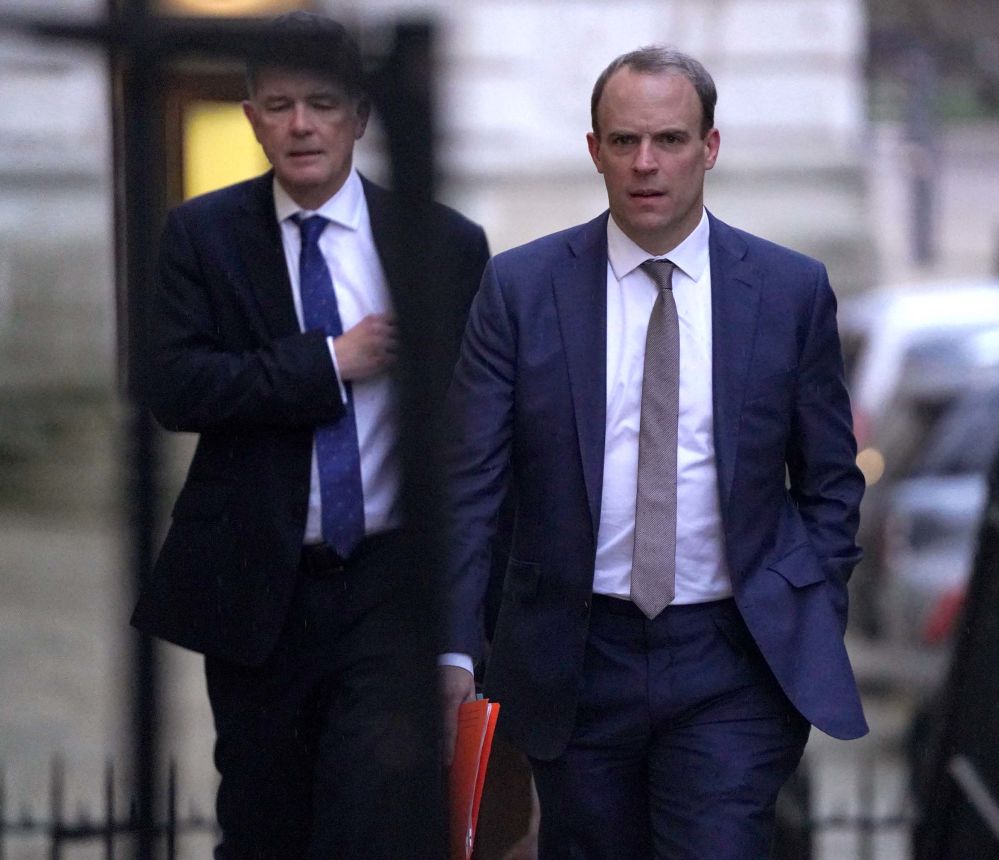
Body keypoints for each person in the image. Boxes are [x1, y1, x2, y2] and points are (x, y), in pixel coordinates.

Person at [440, 45, 868, 857]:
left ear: (708, 147)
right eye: (625, 141)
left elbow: (830, 481)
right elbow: (470, 488)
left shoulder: (788, 291)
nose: (646, 164)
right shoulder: (522, 290)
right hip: (574, 656)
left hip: (731, 659)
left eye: (669, 140)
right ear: (594, 150)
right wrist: (454, 645)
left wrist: (805, 600)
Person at [130, 11, 490, 857]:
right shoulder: (201, 236)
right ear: (249, 116)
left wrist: (465, 631)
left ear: (361, 116)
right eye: (279, 104)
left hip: (388, 585)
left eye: (322, 104)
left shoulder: (440, 245)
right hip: (263, 581)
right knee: (264, 824)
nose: (300, 126)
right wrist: (328, 361)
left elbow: (476, 433)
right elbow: (175, 387)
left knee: (372, 817)